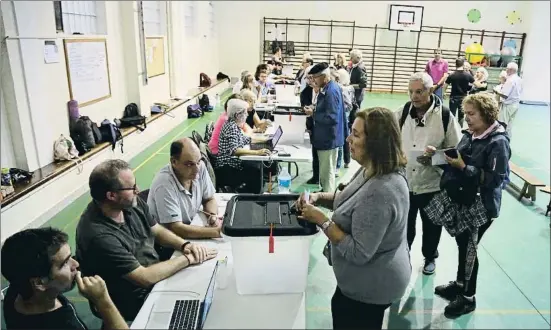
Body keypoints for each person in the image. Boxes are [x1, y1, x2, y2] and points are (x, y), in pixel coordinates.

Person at [297, 107, 411, 330]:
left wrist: (321, 219)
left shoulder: (381, 191)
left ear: (376, 143)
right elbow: (347, 200)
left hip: (373, 286)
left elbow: (358, 252)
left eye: (356, 135)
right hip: (365, 280)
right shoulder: (372, 168)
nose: (348, 138)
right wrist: (319, 197)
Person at [76, 159, 217, 321]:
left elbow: (156, 230)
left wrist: (184, 244)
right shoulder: (99, 236)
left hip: (155, 273)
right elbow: (144, 277)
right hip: (133, 296)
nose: (138, 190)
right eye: (132, 187)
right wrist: (188, 259)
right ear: (111, 195)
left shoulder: (129, 203)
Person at [423, 92, 511, 317]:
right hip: (464, 200)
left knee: (470, 250)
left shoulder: (498, 142)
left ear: (487, 114)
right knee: (464, 245)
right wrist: (439, 157)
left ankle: (468, 298)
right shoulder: (471, 134)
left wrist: (463, 167)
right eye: (465, 114)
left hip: (482, 206)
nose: (467, 118)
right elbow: (458, 159)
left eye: (472, 114)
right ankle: (461, 285)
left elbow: (495, 180)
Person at [397, 72, 462, 275]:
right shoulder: (402, 112)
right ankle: (403, 256)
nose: (414, 96)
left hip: (432, 184)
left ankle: (430, 257)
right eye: (411, 92)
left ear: (430, 90)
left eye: (419, 92)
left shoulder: (444, 116)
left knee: (432, 225)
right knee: (404, 226)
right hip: (405, 182)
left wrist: (435, 158)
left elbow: (457, 151)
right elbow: (389, 140)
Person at [2, 227, 128, 329]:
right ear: (40, 282)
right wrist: (102, 301)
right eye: (64, 263)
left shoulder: (17, 291)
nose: (76, 265)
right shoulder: (65, 324)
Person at [148, 137, 222, 242]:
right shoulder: (164, 184)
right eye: (189, 164)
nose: (196, 169)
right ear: (174, 162)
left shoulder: (199, 167)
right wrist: (217, 232)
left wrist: (212, 216)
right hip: (170, 242)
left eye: (198, 161)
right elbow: (176, 228)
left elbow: (209, 199)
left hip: (190, 228)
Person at [304, 62, 345, 193]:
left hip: (328, 138)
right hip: (327, 137)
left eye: (315, 78)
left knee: (327, 173)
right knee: (325, 170)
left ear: (324, 77)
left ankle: (327, 197)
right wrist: (315, 108)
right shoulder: (329, 88)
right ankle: (325, 191)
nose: (313, 81)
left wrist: (313, 113)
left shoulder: (331, 92)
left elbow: (332, 117)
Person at [215, 99, 271, 193]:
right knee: (256, 171)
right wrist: (257, 152)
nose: (247, 115)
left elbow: (246, 140)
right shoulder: (231, 127)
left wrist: (265, 140)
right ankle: (251, 197)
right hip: (227, 169)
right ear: (237, 115)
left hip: (232, 165)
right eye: (245, 113)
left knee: (256, 166)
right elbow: (235, 150)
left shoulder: (234, 125)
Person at [300, 66, 320, 185]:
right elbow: (304, 110)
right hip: (312, 125)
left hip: (324, 126)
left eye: (313, 77)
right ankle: (316, 176)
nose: (311, 80)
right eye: (309, 78)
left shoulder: (325, 91)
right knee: (315, 151)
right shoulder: (305, 93)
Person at [493, 62, 522, 139]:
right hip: (515, 104)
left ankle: (501, 140)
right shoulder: (519, 79)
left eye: (507, 69)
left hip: (508, 105)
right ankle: (507, 139)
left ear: (510, 70)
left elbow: (505, 95)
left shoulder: (510, 80)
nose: (506, 70)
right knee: (510, 124)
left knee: (503, 123)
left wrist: (496, 91)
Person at [445, 58, 475, 127]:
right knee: (461, 115)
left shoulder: (452, 75)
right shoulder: (467, 75)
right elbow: (476, 84)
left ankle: (451, 128)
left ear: (456, 64)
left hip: (453, 97)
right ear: (463, 64)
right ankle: (460, 128)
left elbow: (445, 86)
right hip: (463, 98)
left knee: (452, 114)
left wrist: (444, 93)